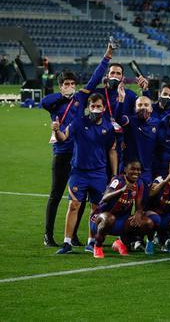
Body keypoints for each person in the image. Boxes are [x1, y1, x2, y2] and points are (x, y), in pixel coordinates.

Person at [40, 43, 114, 247]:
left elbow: (95, 78)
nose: (70, 85)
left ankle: (72, 235)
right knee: (56, 194)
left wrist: (106, 57)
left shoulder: (81, 97)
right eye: (66, 83)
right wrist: (62, 95)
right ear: (61, 85)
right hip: (62, 152)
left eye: (72, 83)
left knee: (79, 199)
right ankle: (48, 234)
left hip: (80, 153)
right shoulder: (55, 102)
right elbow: (43, 102)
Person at [53, 93, 118, 254]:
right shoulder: (78, 123)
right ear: (88, 107)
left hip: (98, 173)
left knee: (95, 209)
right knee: (74, 205)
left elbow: (112, 150)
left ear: (104, 108)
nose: (96, 109)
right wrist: (56, 131)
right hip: (78, 172)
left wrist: (115, 174)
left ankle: (91, 241)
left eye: (99, 106)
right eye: (93, 106)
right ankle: (67, 242)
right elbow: (63, 137)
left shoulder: (108, 128)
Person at [90, 160, 153, 258]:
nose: (136, 172)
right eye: (133, 169)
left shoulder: (139, 183)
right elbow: (104, 198)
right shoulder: (117, 180)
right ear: (125, 170)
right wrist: (121, 190)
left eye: (138, 170)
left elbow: (139, 205)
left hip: (121, 221)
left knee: (147, 223)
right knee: (109, 218)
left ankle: (121, 242)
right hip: (101, 219)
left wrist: (138, 214)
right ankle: (97, 246)